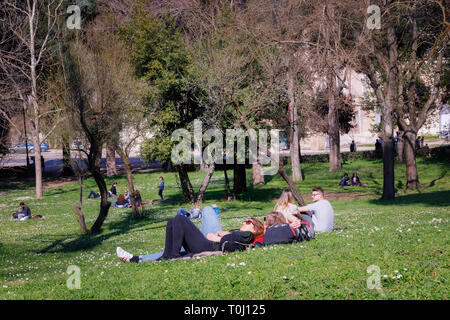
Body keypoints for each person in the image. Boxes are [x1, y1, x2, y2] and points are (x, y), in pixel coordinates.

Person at [117, 208, 264, 262]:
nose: (244, 222)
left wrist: (218, 237)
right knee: (172, 221)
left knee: (181, 219)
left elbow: (231, 245)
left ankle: (172, 255)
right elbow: (230, 238)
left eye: (247, 221)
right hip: (208, 243)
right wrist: (223, 234)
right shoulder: (241, 234)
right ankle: (165, 255)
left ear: (253, 226)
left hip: (209, 245)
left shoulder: (248, 235)